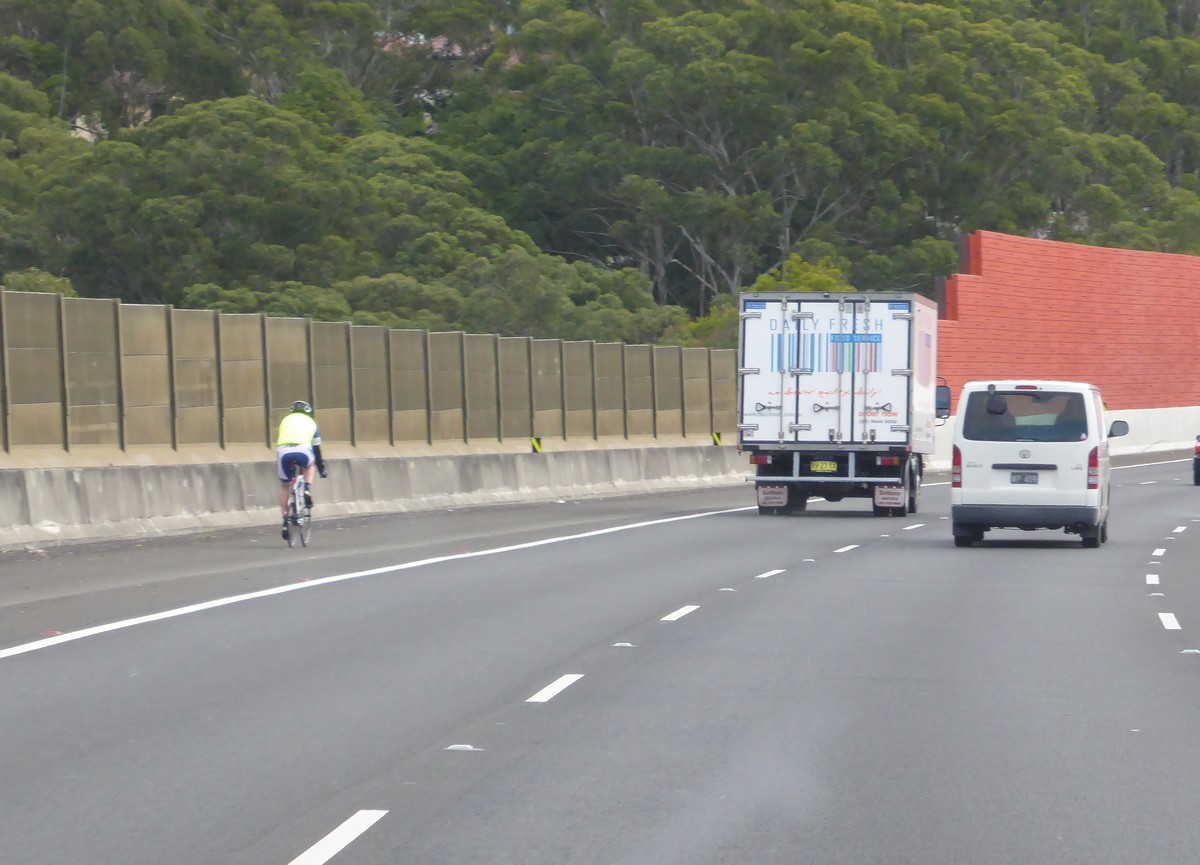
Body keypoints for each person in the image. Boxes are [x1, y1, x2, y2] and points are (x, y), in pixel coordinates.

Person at [276, 400, 327, 540]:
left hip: (283, 451)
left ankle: (285, 523)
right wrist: (321, 468)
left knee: (285, 487)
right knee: (310, 465)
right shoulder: (312, 422)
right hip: (303, 450)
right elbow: (316, 450)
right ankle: (306, 488)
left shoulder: (285, 420)